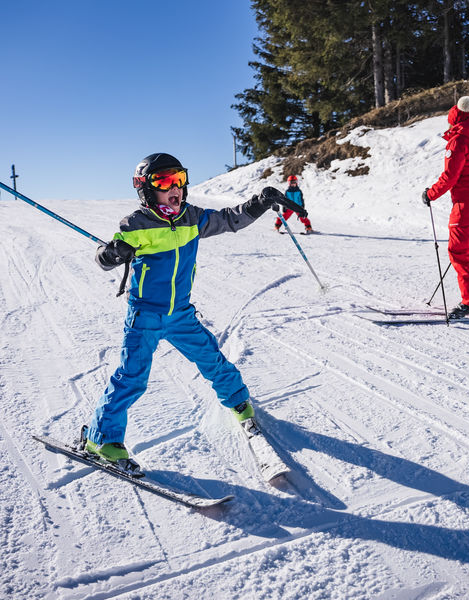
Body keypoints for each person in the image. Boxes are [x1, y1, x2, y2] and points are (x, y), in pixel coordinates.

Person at [84, 152, 308, 475]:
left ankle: (240, 405)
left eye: (179, 179)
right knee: (132, 378)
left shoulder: (192, 218)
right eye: (164, 182)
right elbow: (104, 257)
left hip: (181, 315)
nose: (174, 188)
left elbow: (231, 219)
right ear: (146, 190)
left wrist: (259, 202)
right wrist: (112, 253)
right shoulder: (136, 225)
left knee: (212, 360)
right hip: (145, 315)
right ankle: (101, 438)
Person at [422, 96, 469, 319]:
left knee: (459, 251)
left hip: (466, 203)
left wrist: (430, 194)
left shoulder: (459, 141)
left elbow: (450, 176)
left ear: (453, 122)